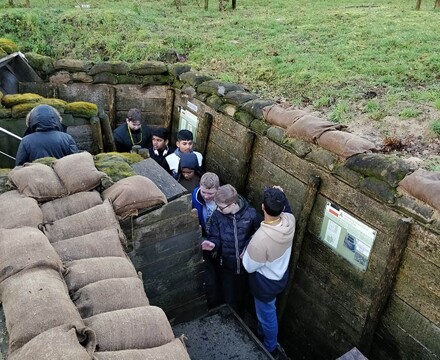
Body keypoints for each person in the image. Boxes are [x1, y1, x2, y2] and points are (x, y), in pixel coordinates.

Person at [242, 186, 295, 359]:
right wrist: (281, 196)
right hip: (280, 276)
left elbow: (249, 267)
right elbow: (288, 210)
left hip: (265, 284)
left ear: (262, 207)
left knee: (267, 316)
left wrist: (245, 253)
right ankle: (261, 331)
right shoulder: (290, 221)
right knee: (265, 312)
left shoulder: (260, 239)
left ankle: (270, 347)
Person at [201, 184, 260, 317]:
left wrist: (248, 247)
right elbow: (214, 236)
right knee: (229, 299)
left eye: (221, 207)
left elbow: (258, 233)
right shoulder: (217, 216)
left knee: (243, 296)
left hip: (245, 267)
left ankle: (241, 318)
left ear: (233, 204)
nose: (218, 210)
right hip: (226, 266)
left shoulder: (251, 214)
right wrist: (212, 244)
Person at [192, 172, 221, 308]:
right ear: (200, 186)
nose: (206, 196)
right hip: (205, 239)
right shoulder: (195, 196)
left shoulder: (223, 200)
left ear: (218, 190)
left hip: (218, 241)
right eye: (204, 192)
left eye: (211, 194)